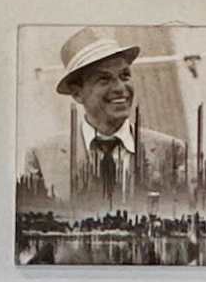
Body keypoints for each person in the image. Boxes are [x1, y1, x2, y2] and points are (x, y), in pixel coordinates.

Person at [26, 26, 190, 209]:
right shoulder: (42, 158)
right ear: (77, 93)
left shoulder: (172, 152)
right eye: (104, 79)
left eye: (125, 76)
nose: (120, 88)